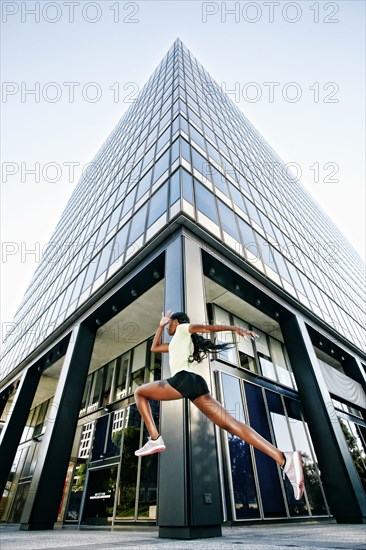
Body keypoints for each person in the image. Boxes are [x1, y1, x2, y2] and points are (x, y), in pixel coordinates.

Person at [134, 310, 304, 500]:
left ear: (176, 321)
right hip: (196, 384)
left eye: (169, 324)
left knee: (140, 392)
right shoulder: (176, 343)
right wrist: (160, 325)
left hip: (183, 380)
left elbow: (208, 327)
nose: (168, 328)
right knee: (231, 424)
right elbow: (155, 348)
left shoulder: (182, 329)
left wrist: (235, 329)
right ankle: (283, 458)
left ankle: (155, 438)